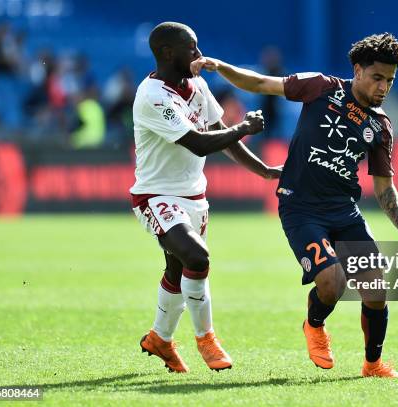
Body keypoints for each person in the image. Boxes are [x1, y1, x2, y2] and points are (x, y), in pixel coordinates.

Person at [192, 33, 398, 378]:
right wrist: (218, 66)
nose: (383, 87)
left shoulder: (380, 126)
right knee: (332, 282)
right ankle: (314, 325)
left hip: (344, 210)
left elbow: (384, 187)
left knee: (375, 288)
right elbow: (259, 82)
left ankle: (373, 365)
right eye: (377, 77)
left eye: (390, 80)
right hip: (299, 207)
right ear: (357, 70)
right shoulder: (320, 87)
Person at [131, 22, 281, 374]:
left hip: (194, 197)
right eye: (192, 49)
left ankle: (160, 339)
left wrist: (264, 170)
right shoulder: (152, 96)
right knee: (197, 257)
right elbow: (197, 142)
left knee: (177, 269)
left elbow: (218, 133)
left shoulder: (197, 86)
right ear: (168, 53)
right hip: (156, 195)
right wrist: (243, 127)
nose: (198, 55)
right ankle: (207, 339)